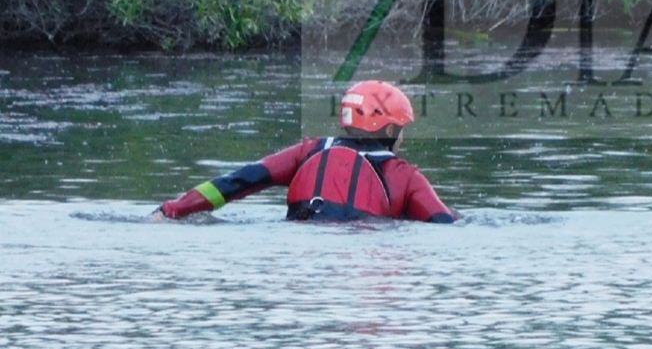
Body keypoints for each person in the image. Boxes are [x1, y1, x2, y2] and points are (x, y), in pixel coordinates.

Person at [153, 80, 457, 223]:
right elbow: (444, 224)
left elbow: (237, 181)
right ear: (390, 131)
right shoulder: (404, 177)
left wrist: (173, 209)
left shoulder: (309, 150)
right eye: (401, 128)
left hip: (297, 244)